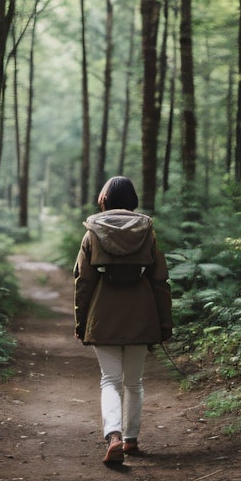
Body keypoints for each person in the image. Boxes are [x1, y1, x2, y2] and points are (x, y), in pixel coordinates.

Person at [73, 176, 173, 464]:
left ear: (105, 199)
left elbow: (83, 282)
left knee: (110, 380)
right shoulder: (147, 231)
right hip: (142, 314)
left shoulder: (92, 232)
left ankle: (113, 435)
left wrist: (81, 323)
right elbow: (159, 280)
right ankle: (130, 440)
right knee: (134, 382)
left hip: (103, 314)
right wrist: (165, 323)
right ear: (133, 200)